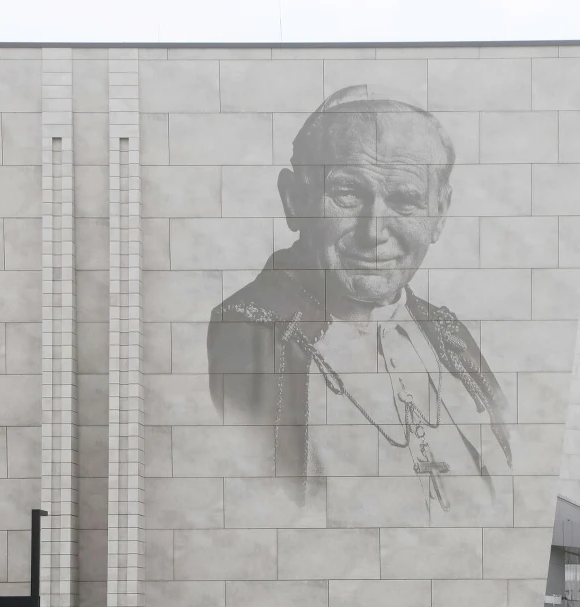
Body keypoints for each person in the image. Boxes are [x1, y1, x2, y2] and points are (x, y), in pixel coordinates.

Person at [207, 84, 511, 521]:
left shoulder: (447, 335)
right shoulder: (250, 340)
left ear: (440, 213)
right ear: (295, 200)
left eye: (406, 200)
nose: (374, 231)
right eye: (348, 194)